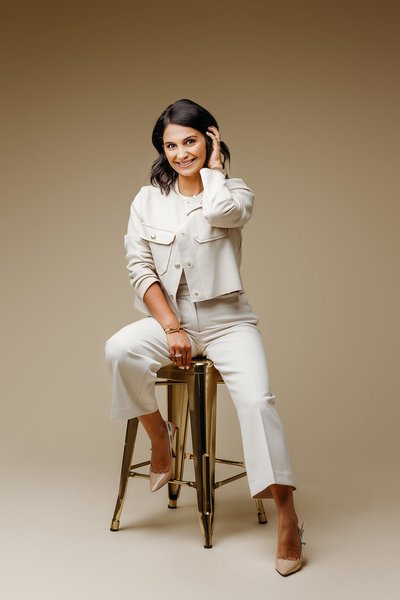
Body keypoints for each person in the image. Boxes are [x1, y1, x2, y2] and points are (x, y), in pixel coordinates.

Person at [104, 98, 306, 576]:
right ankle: (161, 441)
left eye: (190, 141)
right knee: (119, 350)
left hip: (229, 321)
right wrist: (171, 326)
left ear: (209, 138)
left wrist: (215, 167)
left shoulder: (233, 192)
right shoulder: (146, 198)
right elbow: (139, 268)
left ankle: (288, 518)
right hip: (172, 321)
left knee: (257, 403)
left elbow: (223, 212)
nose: (180, 153)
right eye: (170, 145)